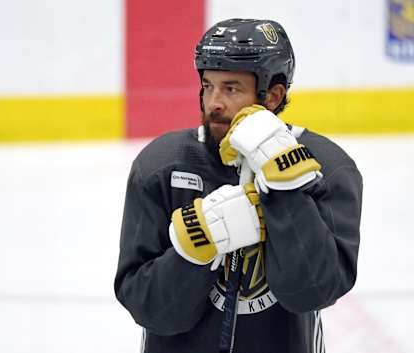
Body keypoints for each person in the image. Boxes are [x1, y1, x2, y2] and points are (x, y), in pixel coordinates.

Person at [114, 18, 362, 353]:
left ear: (273, 95)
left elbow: (313, 292)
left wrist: (287, 190)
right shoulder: (162, 166)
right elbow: (149, 311)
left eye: (231, 89)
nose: (214, 102)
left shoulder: (326, 169)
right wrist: (192, 252)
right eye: (207, 85)